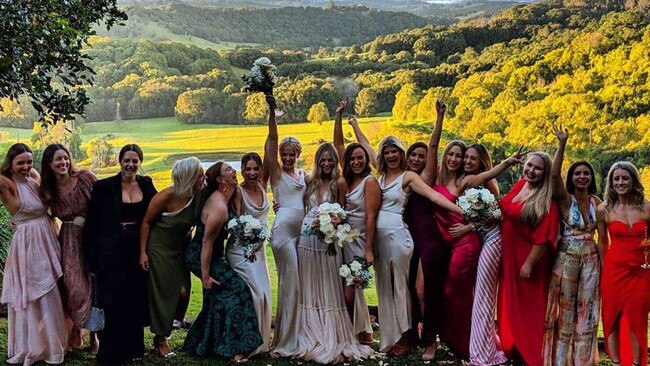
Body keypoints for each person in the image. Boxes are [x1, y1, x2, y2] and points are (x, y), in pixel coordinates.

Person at [350, 126, 463, 355]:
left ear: (401, 154)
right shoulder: (380, 176)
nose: (391, 156)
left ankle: (407, 337)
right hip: (380, 240)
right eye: (387, 152)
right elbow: (367, 147)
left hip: (398, 236)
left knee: (401, 288)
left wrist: (461, 210)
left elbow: (433, 195)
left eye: (395, 152)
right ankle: (392, 338)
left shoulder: (408, 177)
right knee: (385, 288)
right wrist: (354, 124)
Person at [293, 142, 374, 364]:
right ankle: (310, 330)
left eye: (330, 160)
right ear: (317, 161)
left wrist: (332, 223)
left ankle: (335, 333)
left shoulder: (339, 183)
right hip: (306, 239)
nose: (327, 163)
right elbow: (297, 202)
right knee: (310, 284)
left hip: (329, 241)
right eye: (323, 160)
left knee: (331, 285)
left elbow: (343, 212)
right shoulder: (309, 181)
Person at [84, 144, 157, 365]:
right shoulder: (104, 187)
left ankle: (132, 348)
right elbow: (92, 224)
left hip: (137, 250)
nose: (131, 164)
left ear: (140, 162)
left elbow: (158, 212)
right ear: (120, 161)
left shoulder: (146, 184)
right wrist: (92, 258)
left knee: (134, 299)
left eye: (135, 161)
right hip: (111, 253)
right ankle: (109, 352)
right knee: (112, 300)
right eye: (127, 160)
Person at [183, 162, 263, 362]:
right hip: (201, 256)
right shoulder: (218, 207)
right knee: (238, 290)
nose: (234, 171)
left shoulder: (229, 194)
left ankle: (202, 343)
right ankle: (235, 349)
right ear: (220, 180)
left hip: (215, 254)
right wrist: (205, 276)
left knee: (216, 298)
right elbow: (206, 243)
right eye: (229, 170)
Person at [0, 143, 68, 365]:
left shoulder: (35, 176)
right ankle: (31, 346)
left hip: (47, 236)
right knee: (33, 292)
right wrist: (17, 220)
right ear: (10, 163)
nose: (26, 167)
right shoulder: (5, 182)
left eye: (29, 161)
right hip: (27, 243)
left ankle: (53, 344)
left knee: (52, 291)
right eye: (20, 162)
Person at [543, 126, 601, 366]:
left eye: (586, 173)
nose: (582, 177)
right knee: (564, 310)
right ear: (572, 178)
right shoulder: (567, 200)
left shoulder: (598, 202)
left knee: (587, 310)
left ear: (591, 178)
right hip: (566, 258)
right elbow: (554, 177)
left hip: (591, 259)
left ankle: (582, 361)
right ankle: (560, 360)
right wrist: (562, 144)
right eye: (578, 173)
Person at [139, 156, 206, 357]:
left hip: (180, 249)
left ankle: (169, 327)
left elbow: (216, 175)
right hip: (160, 250)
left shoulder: (199, 193)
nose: (203, 178)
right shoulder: (166, 196)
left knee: (184, 292)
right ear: (188, 177)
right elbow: (146, 222)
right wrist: (142, 252)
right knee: (164, 294)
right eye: (199, 175)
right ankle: (160, 339)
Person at [498, 152, 559, 366]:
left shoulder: (547, 202)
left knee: (529, 307)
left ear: (545, 173)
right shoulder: (521, 185)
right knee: (510, 302)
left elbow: (544, 237)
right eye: (529, 165)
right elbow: (504, 208)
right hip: (509, 255)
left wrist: (529, 263)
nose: (531, 171)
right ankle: (513, 345)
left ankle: (530, 351)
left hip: (528, 259)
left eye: (538, 168)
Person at [39, 143, 98, 352]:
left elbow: (104, 203)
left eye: (65, 158)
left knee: (95, 285)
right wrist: (20, 221)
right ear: (49, 164)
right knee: (74, 286)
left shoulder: (85, 178)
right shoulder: (48, 189)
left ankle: (94, 336)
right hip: (68, 241)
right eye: (58, 159)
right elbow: (40, 213)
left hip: (93, 236)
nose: (63, 162)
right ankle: (75, 328)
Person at [402, 99, 446, 360]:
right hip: (407, 241)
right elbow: (373, 155)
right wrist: (352, 123)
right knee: (409, 290)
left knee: (422, 290)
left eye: (421, 156)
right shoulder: (400, 179)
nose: (418, 159)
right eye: (414, 155)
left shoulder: (425, 178)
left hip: (427, 239)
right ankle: (416, 334)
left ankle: (431, 341)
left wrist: (438, 118)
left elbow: (433, 145)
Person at [333, 97, 378, 345]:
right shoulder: (347, 181)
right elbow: (338, 144)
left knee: (351, 289)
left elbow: (371, 217)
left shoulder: (370, 182)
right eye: (352, 159)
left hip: (360, 241)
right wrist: (339, 116)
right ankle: (360, 331)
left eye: (361, 158)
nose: (357, 161)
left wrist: (369, 249)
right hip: (343, 240)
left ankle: (355, 332)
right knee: (345, 287)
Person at [596, 161, 650, 366]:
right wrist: (604, 266)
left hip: (641, 270)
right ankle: (617, 363)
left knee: (638, 316)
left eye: (625, 178)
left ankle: (637, 363)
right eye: (616, 178)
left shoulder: (647, 207)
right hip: (614, 269)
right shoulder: (604, 209)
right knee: (612, 315)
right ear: (611, 182)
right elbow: (602, 240)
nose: (620, 182)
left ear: (633, 180)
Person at [264, 93, 305, 357]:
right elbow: (272, 141)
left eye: (291, 154)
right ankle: (285, 340)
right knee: (290, 284)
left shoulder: (303, 174)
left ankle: (299, 333)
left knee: (301, 284)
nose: (287, 158)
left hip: (303, 234)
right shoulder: (277, 173)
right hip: (282, 235)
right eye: (284, 154)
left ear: (298, 154)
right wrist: (271, 111)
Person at [226, 152, 273, 355]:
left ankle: (261, 343)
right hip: (241, 250)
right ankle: (245, 345)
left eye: (255, 168)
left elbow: (271, 146)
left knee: (265, 294)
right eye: (247, 169)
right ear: (242, 170)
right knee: (256, 294)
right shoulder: (238, 191)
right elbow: (235, 223)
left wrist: (272, 118)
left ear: (260, 170)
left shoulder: (263, 184)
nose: (251, 173)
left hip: (259, 250)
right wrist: (249, 238)